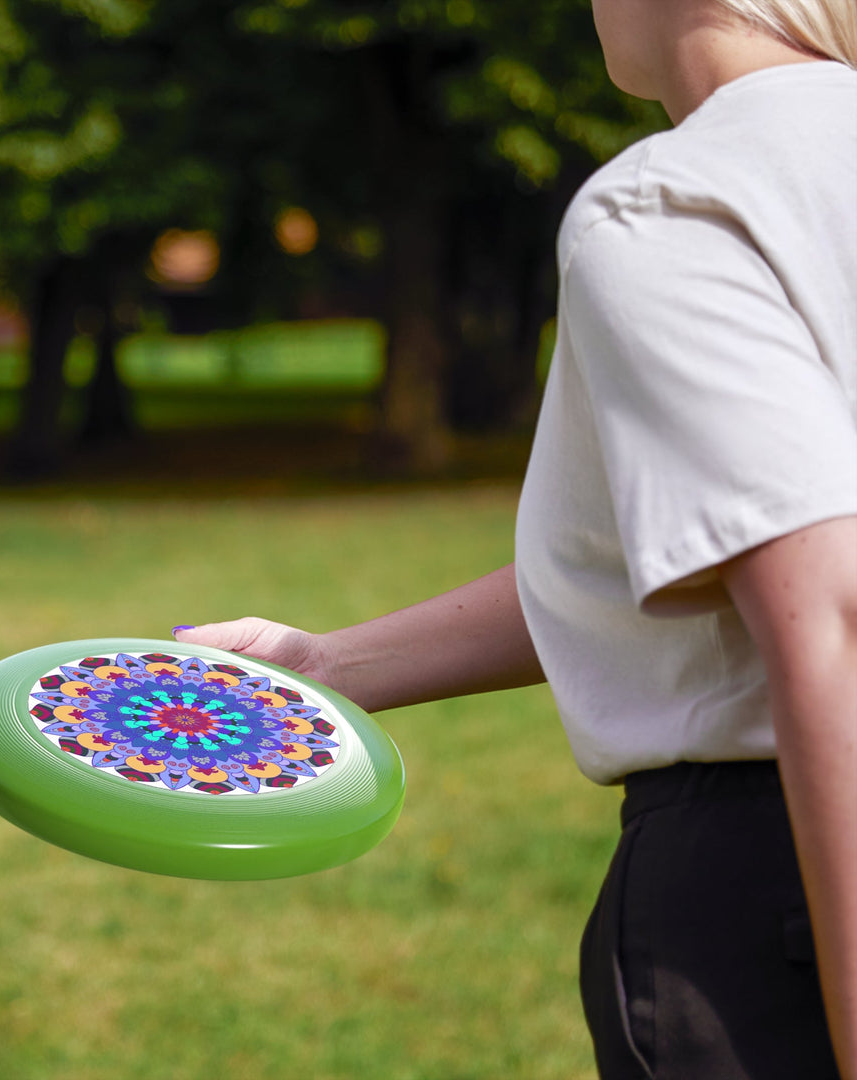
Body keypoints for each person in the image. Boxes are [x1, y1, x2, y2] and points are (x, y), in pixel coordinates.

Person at [172, 2, 857, 1077]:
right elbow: (691, 553)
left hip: (781, 889)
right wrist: (326, 666)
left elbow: (832, 615)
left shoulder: (677, 202)